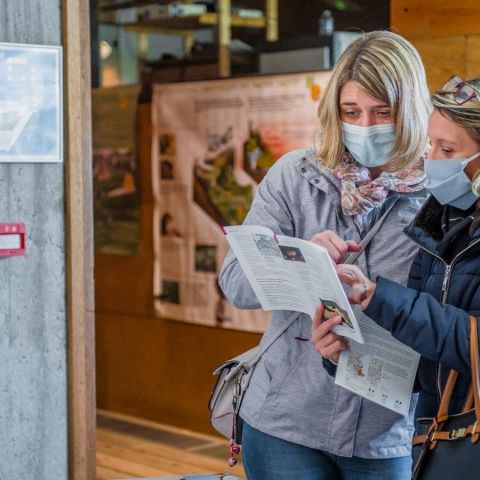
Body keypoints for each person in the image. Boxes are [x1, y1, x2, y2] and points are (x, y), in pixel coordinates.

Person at [219, 31, 430, 480]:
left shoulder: (438, 195)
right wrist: (295, 259)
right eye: (351, 112)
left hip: (388, 430)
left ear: (410, 112)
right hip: (285, 419)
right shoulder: (294, 176)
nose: (366, 126)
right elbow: (234, 281)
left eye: (382, 113)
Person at [314, 76, 480, 435]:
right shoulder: (439, 222)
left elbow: (473, 344)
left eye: (447, 150)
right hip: (443, 440)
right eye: (431, 145)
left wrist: (382, 297)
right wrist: (345, 354)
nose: (430, 160)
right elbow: (423, 364)